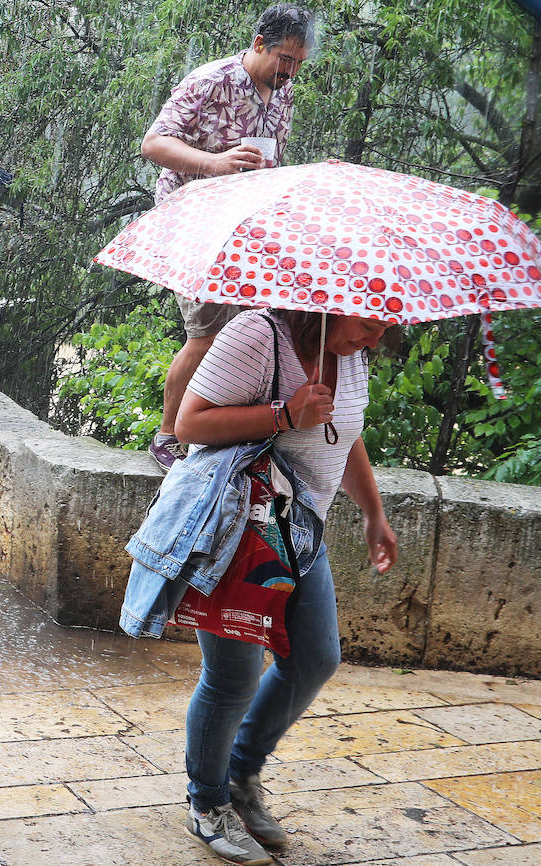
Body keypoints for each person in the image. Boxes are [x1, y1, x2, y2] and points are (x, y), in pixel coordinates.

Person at [172, 308, 397, 865]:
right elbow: (189, 424)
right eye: (369, 322)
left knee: (316, 657)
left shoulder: (351, 352)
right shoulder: (257, 333)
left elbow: (343, 435)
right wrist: (282, 414)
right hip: (239, 530)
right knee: (233, 677)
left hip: (301, 532)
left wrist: (373, 512)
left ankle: (241, 775)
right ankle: (208, 801)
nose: (377, 335)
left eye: (387, 325)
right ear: (329, 300)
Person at [141, 3, 314, 471]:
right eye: (285, 60)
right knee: (208, 332)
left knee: (252, 333)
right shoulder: (209, 80)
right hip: (191, 226)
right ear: (259, 44)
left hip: (245, 229)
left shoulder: (283, 92)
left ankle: (221, 433)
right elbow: (153, 144)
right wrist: (214, 164)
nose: (291, 72)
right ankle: (168, 435)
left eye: (299, 63)